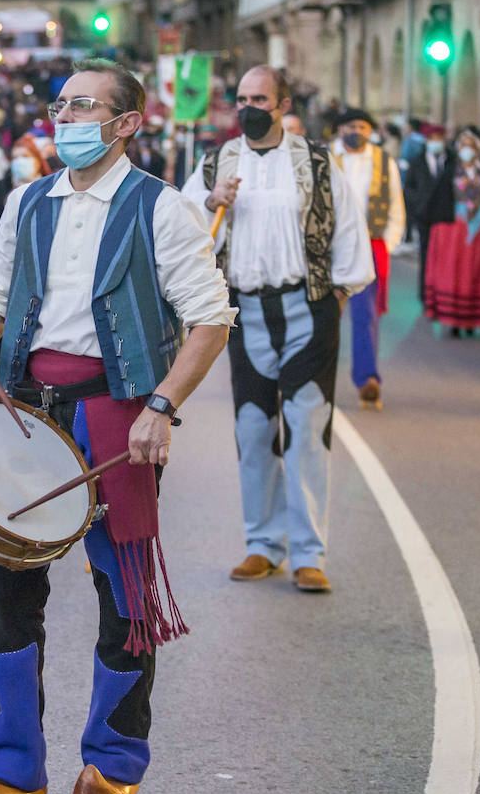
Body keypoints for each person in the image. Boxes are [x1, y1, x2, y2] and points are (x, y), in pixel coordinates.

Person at [0, 58, 233, 794]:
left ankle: (111, 771)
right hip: (26, 418)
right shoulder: (25, 201)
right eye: (61, 106)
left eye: (82, 107)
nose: (65, 119)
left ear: (128, 122)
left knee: (126, 600)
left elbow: (210, 319)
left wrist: (162, 406)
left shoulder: (161, 209)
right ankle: (11, 775)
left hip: (115, 418)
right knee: (7, 596)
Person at [182, 65, 373, 593]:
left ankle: (309, 552)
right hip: (244, 310)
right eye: (242, 97)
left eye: (259, 97)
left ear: (282, 104)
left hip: (307, 308)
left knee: (308, 428)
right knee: (251, 427)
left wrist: (338, 294)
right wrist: (209, 199)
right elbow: (177, 223)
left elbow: (348, 225)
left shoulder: (315, 159)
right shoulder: (217, 161)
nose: (249, 106)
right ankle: (262, 545)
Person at [331, 108, 405, 409]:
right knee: (324, 314)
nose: (357, 131)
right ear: (339, 130)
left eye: (363, 126)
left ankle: (367, 379)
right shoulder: (325, 158)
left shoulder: (384, 161)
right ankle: (311, 378)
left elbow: (397, 205)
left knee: (366, 315)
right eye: (351, 125)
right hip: (331, 245)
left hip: (370, 244)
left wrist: (388, 243)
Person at [424, 128, 480, 336]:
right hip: (454, 232)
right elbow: (439, 201)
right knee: (455, 272)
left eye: (471, 146)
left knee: (475, 273)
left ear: (477, 150)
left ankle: (472, 319)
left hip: (479, 232)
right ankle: (454, 321)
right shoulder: (450, 172)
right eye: (463, 145)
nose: (466, 150)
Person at [405, 123, 448, 304]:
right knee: (426, 255)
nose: (436, 143)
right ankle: (425, 293)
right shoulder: (418, 161)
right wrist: (418, 205)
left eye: (439, 139)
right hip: (424, 217)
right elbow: (409, 188)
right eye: (432, 139)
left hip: (446, 217)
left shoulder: (451, 160)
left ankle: (443, 291)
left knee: (445, 257)